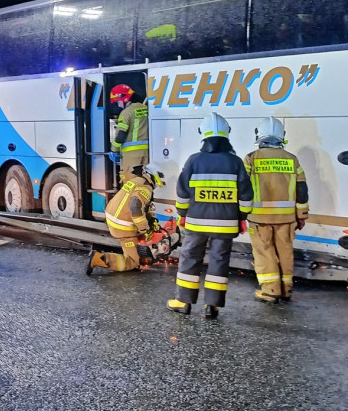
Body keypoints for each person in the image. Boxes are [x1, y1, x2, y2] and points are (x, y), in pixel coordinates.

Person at [167, 112, 253, 319]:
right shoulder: (236, 162)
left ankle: (184, 302)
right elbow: (246, 195)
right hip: (226, 224)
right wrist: (242, 217)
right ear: (227, 134)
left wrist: (182, 214)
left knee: (190, 258)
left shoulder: (194, 161)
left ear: (203, 134)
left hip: (196, 222)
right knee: (219, 260)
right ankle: (212, 306)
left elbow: (182, 193)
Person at [243, 117, 309, 303]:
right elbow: (302, 190)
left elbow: (243, 187)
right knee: (285, 252)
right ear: (282, 136)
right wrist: (301, 215)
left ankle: (271, 290)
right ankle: (286, 289)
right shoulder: (292, 159)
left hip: (259, 217)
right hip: (287, 218)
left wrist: (241, 212)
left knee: (264, 252)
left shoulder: (251, 158)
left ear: (259, 135)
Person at [87, 163, 165, 274]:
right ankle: (100, 259)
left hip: (112, 219)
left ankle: (139, 253)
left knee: (141, 230)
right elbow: (135, 206)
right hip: (122, 227)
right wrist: (145, 229)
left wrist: (150, 218)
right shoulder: (146, 188)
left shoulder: (135, 181)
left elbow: (139, 206)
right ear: (155, 177)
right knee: (133, 262)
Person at [109, 84, 149, 182]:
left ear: (124, 99)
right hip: (147, 153)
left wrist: (114, 150)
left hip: (131, 155)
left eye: (118, 101)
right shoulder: (146, 108)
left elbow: (121, 134)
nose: (118, 105)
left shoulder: (126, 112)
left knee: (130, 183)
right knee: (145, 181)